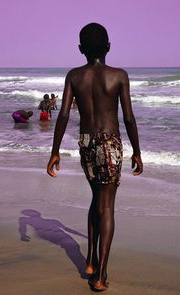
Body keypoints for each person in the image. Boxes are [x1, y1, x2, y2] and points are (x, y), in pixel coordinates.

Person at [47, 23, 143, 291]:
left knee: (96, 198)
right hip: (110, 144)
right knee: (107, 206)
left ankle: (89, 260)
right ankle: (100, 275)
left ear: (80, 49)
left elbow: (64, 115)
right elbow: (128, 118)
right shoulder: (119, 75)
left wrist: (55, 152)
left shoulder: (74, 76)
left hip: (86, 144)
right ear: (109, 47)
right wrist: (137, 151)